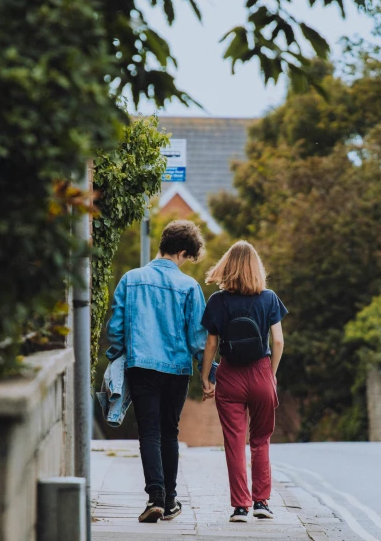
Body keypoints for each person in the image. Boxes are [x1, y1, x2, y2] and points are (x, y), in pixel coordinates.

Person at [106, 220, 216, 523]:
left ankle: (155, 496)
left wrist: (118, 356)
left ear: (162, 244)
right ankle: (170, 501)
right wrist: (209, 373)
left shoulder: (131, 279)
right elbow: (198, 338)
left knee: (149, 433)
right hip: (177, 371)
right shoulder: (189, 287)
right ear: (182, 252)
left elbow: (116, 329)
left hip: (141, 367)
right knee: (170, 432)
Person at [200, 241, 287, 522]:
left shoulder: (217, 301)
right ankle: (262, 502)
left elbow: (211, 343)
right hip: (261, 370)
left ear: (227, 266)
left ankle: (240, 507)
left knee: (234, 441)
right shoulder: (269, 298)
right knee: (260, 439)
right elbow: (278, 340)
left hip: (230, 375)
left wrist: (205, 376)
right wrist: (270, 373)